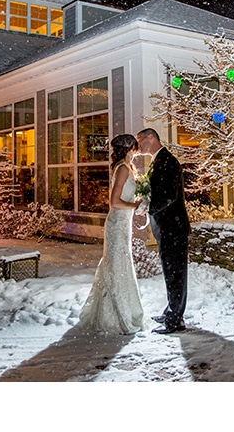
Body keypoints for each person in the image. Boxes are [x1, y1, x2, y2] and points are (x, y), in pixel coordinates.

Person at [78, 134, 145, 334]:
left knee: (120, 265)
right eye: (134, 147)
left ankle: (122, 309)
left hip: (124, 224)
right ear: (128, 149)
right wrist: (134, 205)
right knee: (117, 265)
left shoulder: (128, 168)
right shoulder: (123, 168)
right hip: (117, 223)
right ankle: (115, 314)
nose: (137, 150)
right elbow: (114, 202)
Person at [136, 127, 191, 334]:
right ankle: (171, 310)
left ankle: (176, 319)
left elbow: (168, 196)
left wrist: (147, 207)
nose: (139, 145)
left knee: (175, 272)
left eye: (140, 140)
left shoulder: (167, 161)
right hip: (166, 227)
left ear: (151, 137)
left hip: (173, 228)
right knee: (171, 271)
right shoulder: (159, 161)